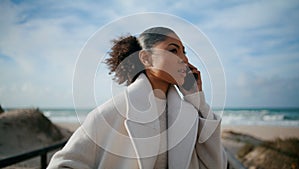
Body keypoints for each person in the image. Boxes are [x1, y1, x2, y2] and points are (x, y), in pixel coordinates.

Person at [47, 27, 227, 169]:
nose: (184, 60)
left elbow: (216, 165)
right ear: (146, 59)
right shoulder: (109, 114)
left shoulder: (190, 113)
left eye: (184, 52)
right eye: (173, 50)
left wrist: (196, 98)